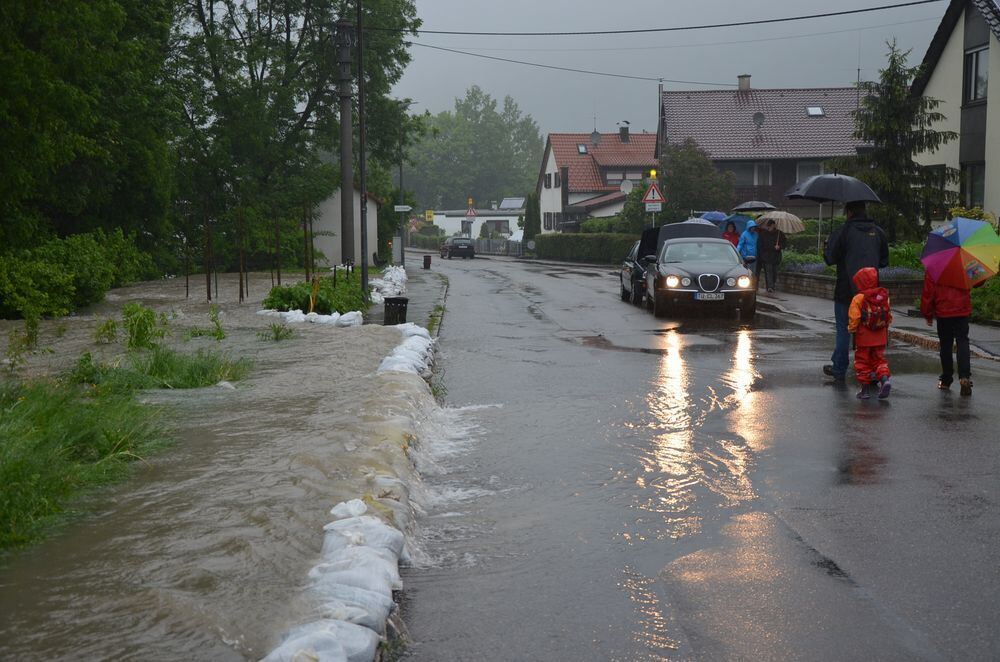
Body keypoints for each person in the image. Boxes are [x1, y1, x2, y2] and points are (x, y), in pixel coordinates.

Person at [822, 201, 888, 381]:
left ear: (849, 212)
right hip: (871, 294)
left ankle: (839, 368)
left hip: (845, 290)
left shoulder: (843, 231)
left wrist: (827, 245)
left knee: (843, 329)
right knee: (870, 331)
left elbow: (830, 258)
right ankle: (873, 371)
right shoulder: (878, 232)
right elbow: (884, 262)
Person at [920, 273, 973, 395]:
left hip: (943, 309)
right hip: (961, 308)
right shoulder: (963, 264)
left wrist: (928, 314)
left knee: (946, 344)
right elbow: (976, 280)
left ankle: (946, 379)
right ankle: (964, 377)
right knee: (962, 341)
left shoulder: (935, 267)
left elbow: (928, 292)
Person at [847, 267, 892, 399]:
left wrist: (851, 329)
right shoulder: (883, 296)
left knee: (862, 362)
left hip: (864, 337)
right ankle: (885, 380)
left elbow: (854, 318)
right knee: (879, 360)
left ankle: (865, 391)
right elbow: (889, 316)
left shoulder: (858, 298)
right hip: (880, 336)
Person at [756, 219, 786, 293]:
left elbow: (784, 243)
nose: (772, 227)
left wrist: (779, 246)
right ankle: (770, 287)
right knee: (768, 272)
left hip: (776, 257)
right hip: (767, 257)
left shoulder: (779, 233)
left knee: (774, 272)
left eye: (773, 225)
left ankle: (772, 285)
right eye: (770, 225)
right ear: (768, 226)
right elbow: (760, 245)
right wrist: (762, 254)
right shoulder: (763, 234)